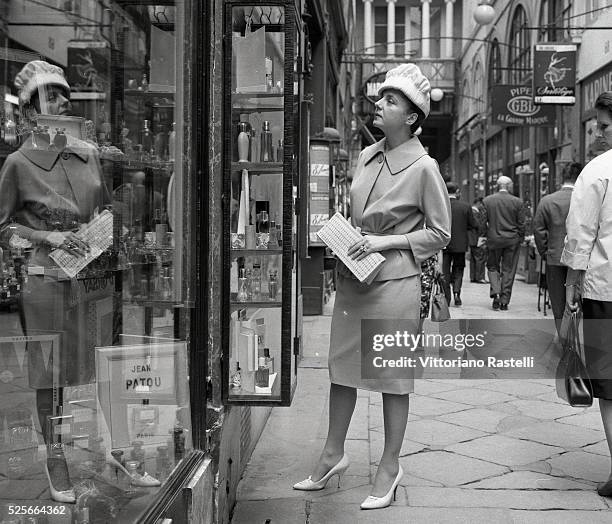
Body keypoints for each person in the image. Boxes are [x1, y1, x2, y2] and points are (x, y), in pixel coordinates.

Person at [293, 64, 450, 510]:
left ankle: (390, 464)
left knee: (391, 378)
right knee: (341, 370)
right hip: (353, 276)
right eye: (380, 98)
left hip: (394, 283)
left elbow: (440, 233)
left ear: (413, 117)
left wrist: (389, 239)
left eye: (391, 101)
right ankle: (332, 453)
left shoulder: (424, 167)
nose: (378, 105)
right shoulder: (366, 156)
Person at [0, 61, 157, 504]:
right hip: (48, 282)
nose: (64, 101)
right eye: (53, 95)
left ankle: (123, 451)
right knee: (51, 376)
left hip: (95, 278)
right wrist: (46, 235)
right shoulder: (18, 163)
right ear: (32, 109)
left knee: (108, 365)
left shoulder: (88, 154)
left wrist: (108, 227)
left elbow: (105, 210)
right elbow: (3, 228)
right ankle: (55, 458)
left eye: (65, 93)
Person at [563, 91, 612, 498]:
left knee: (609, 385)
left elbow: (580, 235)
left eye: (604, 126)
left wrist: (570, 289)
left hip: (605, 290)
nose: (597, 133)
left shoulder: (598, 171)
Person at [533, 162, 582, 332]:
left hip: (555, 256)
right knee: (579, 301)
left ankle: (563, 340)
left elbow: (538, 230)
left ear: (562, 177)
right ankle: (576, 337)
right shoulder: (583, 199)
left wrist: (545, 252)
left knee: (558, 303)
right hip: (580, 258)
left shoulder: (547, 201)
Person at [482, 175, 525, 310]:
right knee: (509, 269)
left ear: (497, 186)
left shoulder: (487, 201)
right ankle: (504, 300)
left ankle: (495, 293)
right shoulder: (517, 202)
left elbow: (482, 222)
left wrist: (484, 236)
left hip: (494, 239)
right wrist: (520, 237)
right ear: (509, 186)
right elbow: (521, 224)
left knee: (493, 267)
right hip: (512, 240)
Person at [442, 182, 477, 306]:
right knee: (459, 269)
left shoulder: (441, 205)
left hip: (444, 244)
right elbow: (473, 224)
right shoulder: (465, 206)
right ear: (457, 192)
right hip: (460, 245)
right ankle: (457, 293)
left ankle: (446, 297)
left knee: (444, 271)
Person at [469, 197, 487, 283]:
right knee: (480, 257)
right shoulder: (475, 212)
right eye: (482, 204)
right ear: (479, 203)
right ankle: (479, 277)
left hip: (473, 239)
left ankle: (473, 276)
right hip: (477, 238)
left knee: (473, 258)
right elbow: (479, 226)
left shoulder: (472, 211)